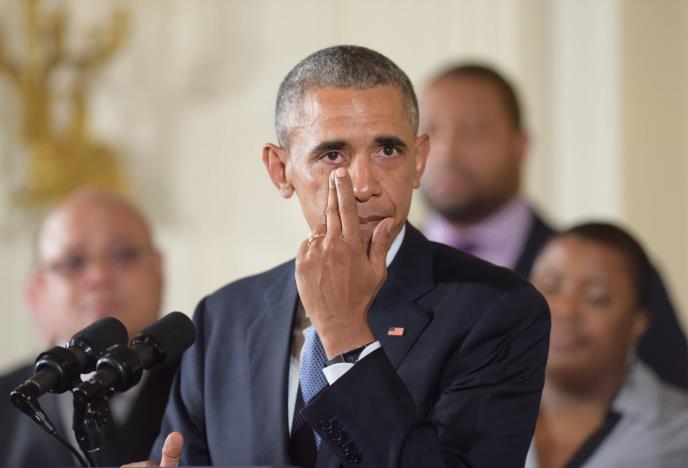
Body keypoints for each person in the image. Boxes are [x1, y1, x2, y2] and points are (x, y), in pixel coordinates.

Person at [140, 45, 551, 468]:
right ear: (280, 170)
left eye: (387, 151)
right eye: (333, 155)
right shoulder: (224, 317)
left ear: (418, 161)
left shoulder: (499, 311)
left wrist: (344, 333)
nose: (364, 184)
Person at [419, 63, 687, 390]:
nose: (447, 149)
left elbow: (675, 401)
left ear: (520, 145)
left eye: (473, 130)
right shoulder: (375, 265)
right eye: (430, 130)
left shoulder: (615, 274)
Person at [0, 189, 178, 467]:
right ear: (37, 292)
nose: (99, 276)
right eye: (74, 262)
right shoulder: (9, 401)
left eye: (124, 255)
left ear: (159, 271)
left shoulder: (205, 387)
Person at [527, 222, 688, 468]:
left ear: (638, 322)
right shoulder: (474, 407)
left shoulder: (678, 433)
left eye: (596, 297)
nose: (565, 310)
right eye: (550, 287)